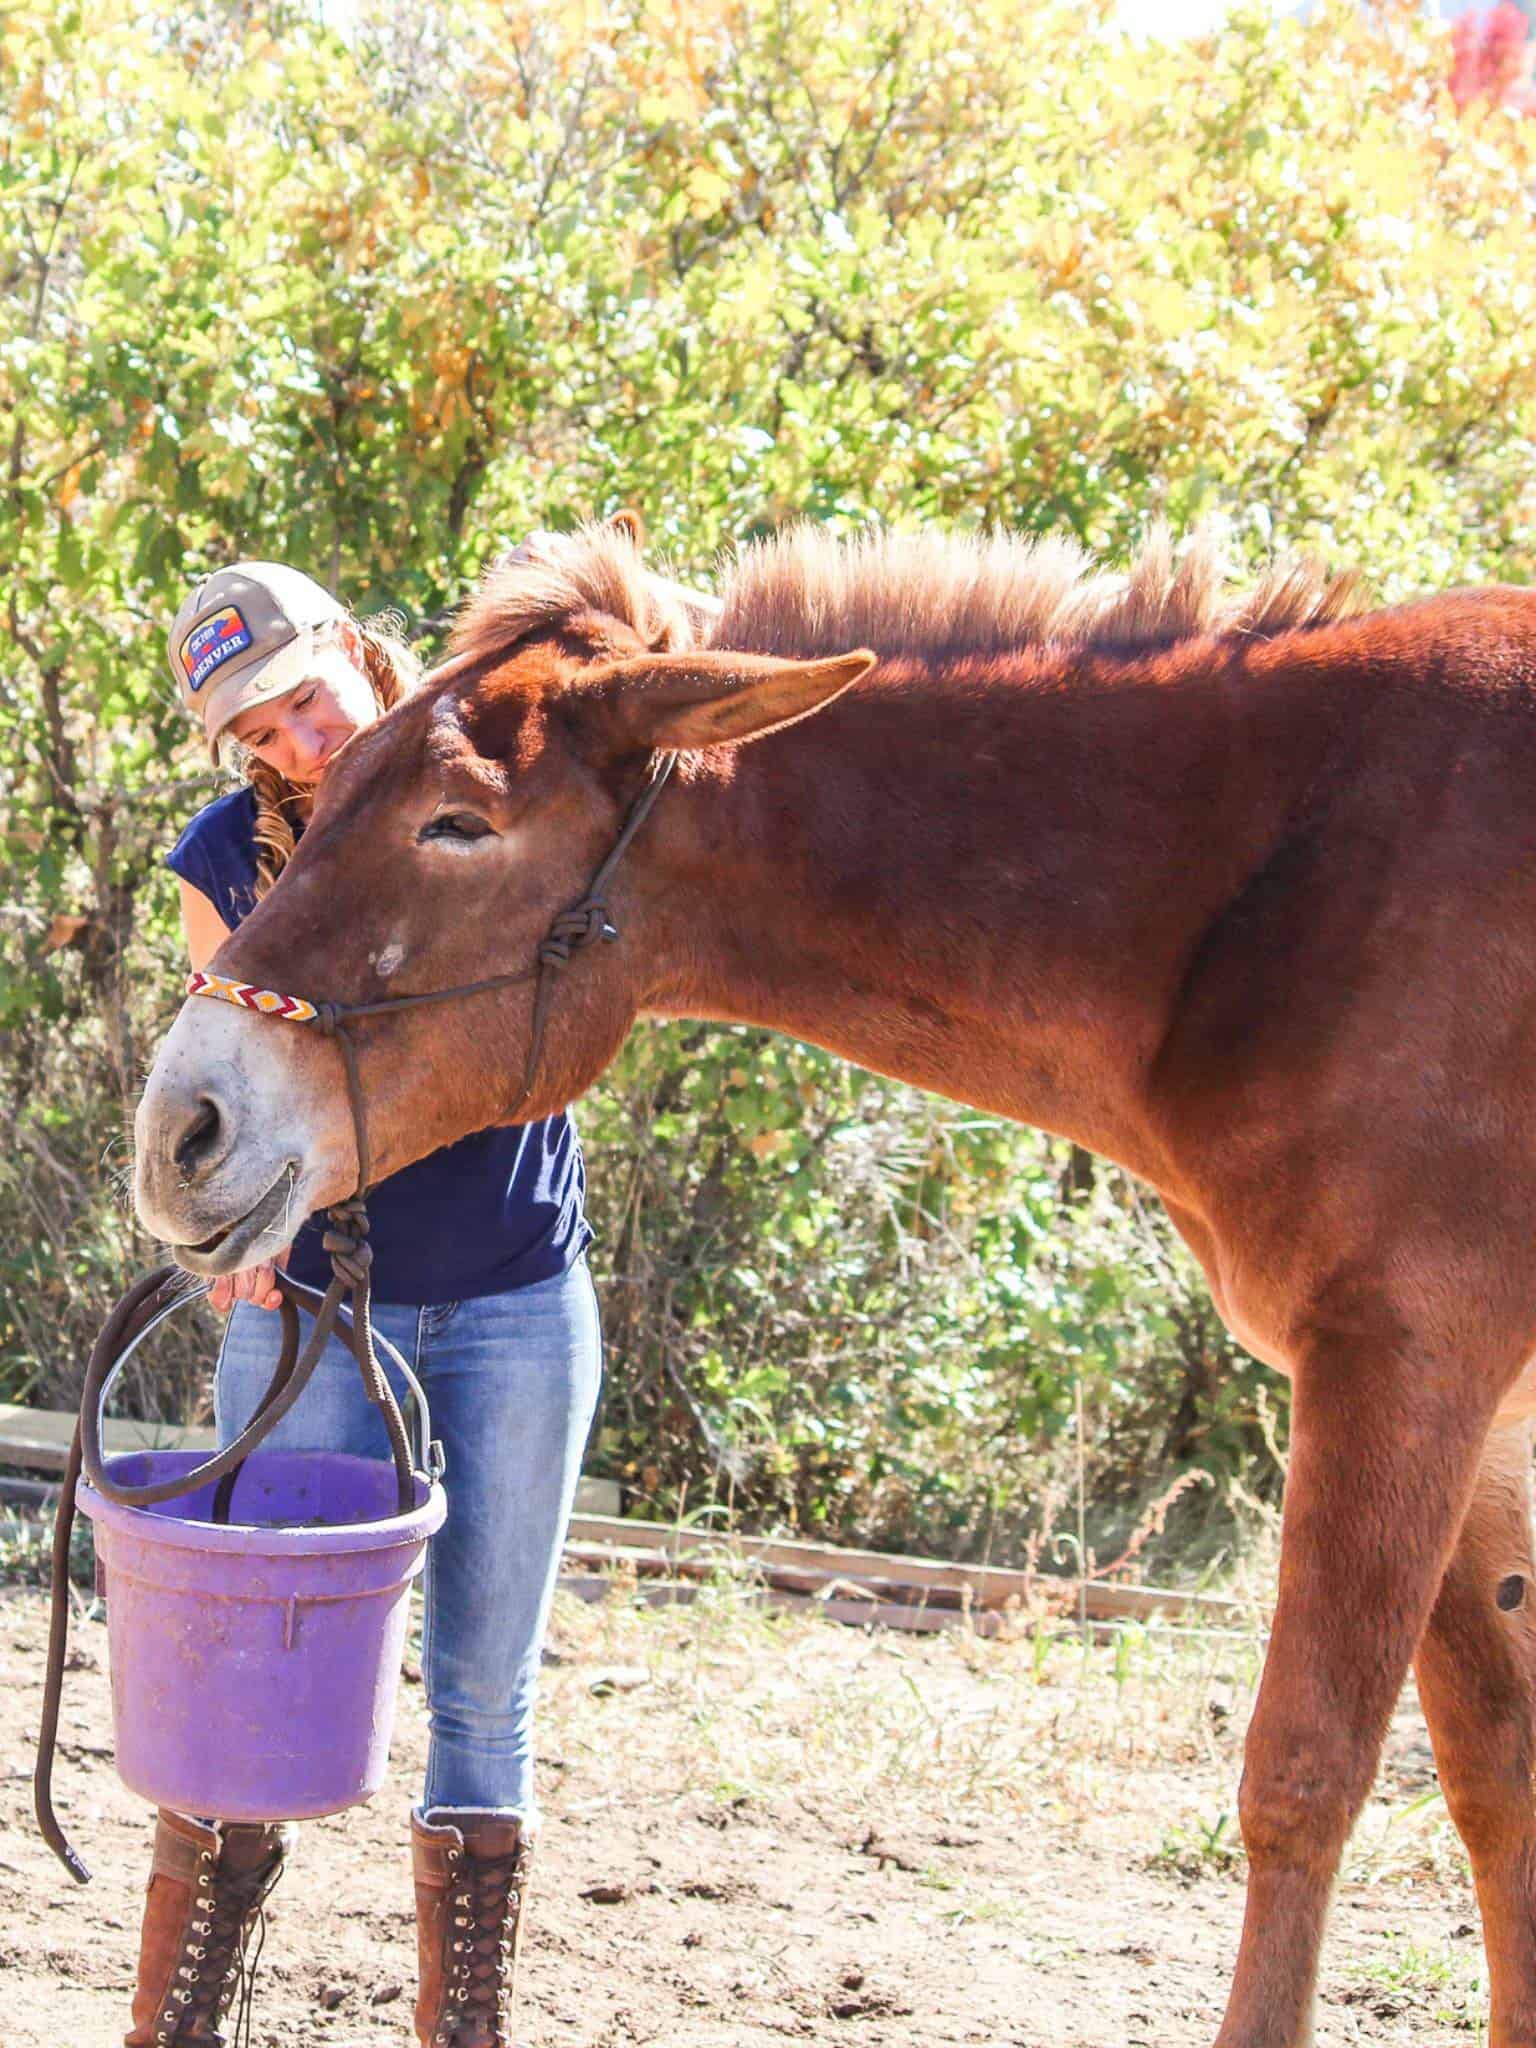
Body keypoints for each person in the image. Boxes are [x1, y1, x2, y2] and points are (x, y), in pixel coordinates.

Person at [128, 559, 604, 2048]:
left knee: (485, 1690)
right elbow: (233, 1109)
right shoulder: (230, 859)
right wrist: (232, 1237)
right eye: (257, 737)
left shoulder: (497, 791)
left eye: (302, 703)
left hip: (519, 1295)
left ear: (352, 641)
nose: (292, 748)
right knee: (245, 1672)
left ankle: (460, 2033)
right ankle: (177, 2023)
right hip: (318, 1314)